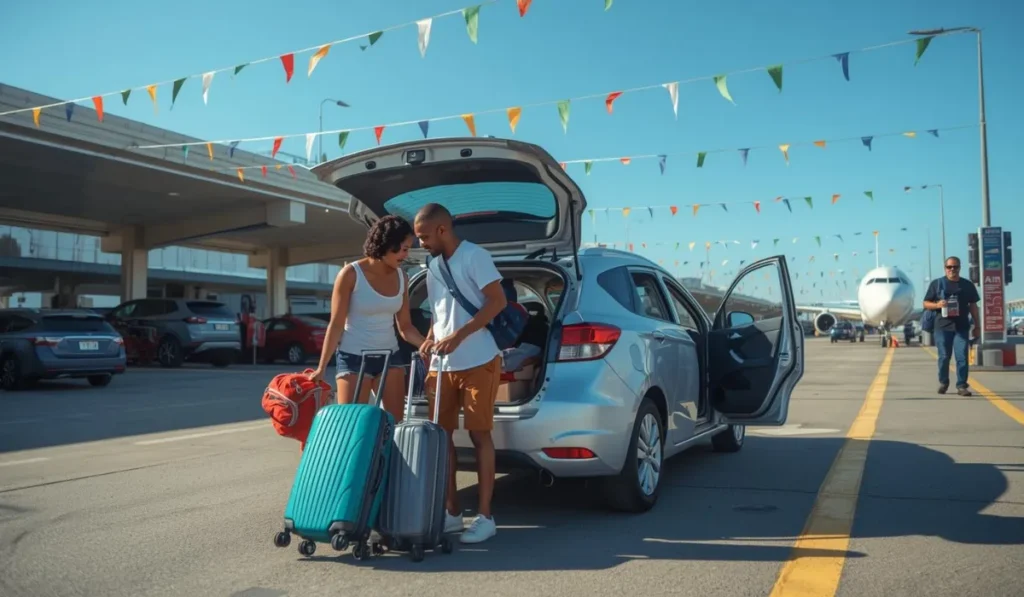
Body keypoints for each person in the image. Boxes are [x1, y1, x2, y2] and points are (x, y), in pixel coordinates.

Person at [414, 202, 507, 545]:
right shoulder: (433, 266)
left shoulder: (475, 256)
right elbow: (439, 312)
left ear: (442, 230)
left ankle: (485, 517)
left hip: (479, 359)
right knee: (443, 439)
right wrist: (429, 338)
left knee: (481, 435)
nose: (420, 242)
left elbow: (496, 302)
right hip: (442, 365)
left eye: (423, 236)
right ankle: (452, 513)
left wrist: (459, 335)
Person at [308, 215, 429, 422]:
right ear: (386, 244)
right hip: (353, 358)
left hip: (390, 358)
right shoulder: (350, 274)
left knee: (394, 425)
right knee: (351, 426)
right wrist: (321, 367)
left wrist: (428, 344)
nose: (405, 254)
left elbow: (406, 327)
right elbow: (336, 324)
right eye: (403, 248)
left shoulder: (403, 277)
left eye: (408, 249)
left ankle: (386, 456)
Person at [922, 256, 980, 396]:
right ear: (945, 268)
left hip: (961, 327)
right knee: (944, 357)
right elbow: (925, 303)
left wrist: (977, 325)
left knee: (962, 357)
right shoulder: (937, 284)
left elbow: (973, 306)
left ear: (960, 268)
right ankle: (943, 382)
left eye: (955, 266)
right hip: (942, 327)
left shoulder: (967, 285)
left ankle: (961, 385)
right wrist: (937, 305)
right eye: (949, 267)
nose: (952, 269)